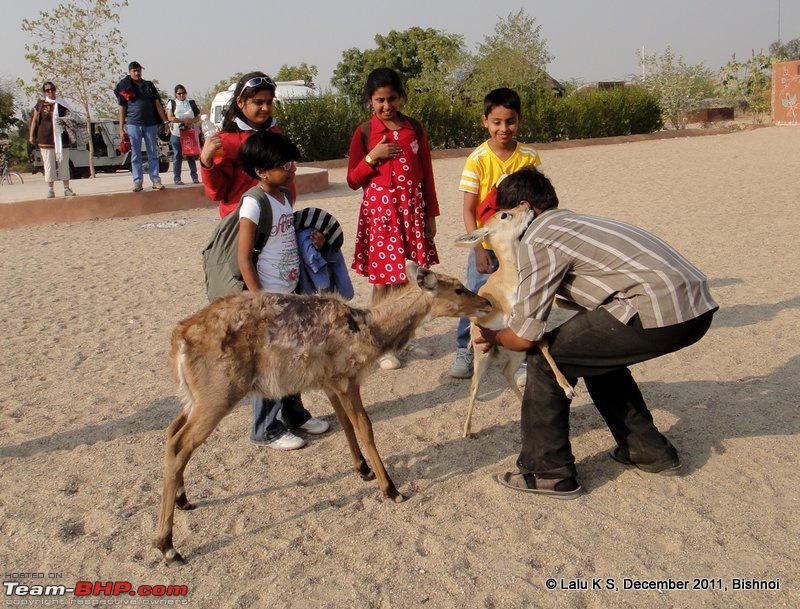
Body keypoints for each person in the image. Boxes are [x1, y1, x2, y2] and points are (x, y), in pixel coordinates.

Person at [475, 167, 719, 498]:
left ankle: (548, 472)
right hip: (694, 305)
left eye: (504, 216)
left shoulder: (538, 238)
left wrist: (491, 335)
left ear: (523, 209)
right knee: (590, 355)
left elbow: (523, 337)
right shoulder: (574, 222)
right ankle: (647, 450)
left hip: (659, 309)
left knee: (549, 361)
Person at [237, 129, 330, 450]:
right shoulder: (253, 202)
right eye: (284, 164)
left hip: (290, 293)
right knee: (272, 364)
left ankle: (294, 414)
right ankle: (264, 428)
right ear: (261, 171)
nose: (292, 168)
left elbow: (289, 235)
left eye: (292, 161)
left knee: (293, 359)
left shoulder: (286, 196)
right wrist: (260, 301)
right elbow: (244, 258)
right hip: (268, 298)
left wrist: (314, 239)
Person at [346, 67, 439, 370]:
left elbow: (426, 173)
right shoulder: (364, 133)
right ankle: (378, 341)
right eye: (379, 100)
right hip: (382, 212)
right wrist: (374, 156)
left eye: (392, 99)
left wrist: (430, 214)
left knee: (408, 278)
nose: (386, 106)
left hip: (411, 209)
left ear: (401, 97)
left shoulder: (415, 128)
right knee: (384, 281)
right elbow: (352, 179)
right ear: (370, 101)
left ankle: (402, 338)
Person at [449, 88, 544, 381]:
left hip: (519, 247)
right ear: (485, 121)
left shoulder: (528, 156)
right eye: (497, 122)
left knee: (521, 298)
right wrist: (477, 249)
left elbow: (538, 202)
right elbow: (468, 209)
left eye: (510, 121)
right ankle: (465, 348)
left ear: (520, 121)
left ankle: (521, 354)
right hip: (488, 246)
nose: (504, 128)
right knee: (476, 297)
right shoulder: (477, 158)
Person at [200, 72, 293, 219]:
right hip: (241, 220)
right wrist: (206, 162)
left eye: (269, 102)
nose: (265, 108)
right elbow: (217, 192)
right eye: (258, 102)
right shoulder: (226, 141)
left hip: (276, 219)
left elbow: (287, 180)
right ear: (240, 102)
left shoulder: (276, 134)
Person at [114, 61, 169, 192]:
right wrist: (121, 128)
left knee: (153, 152)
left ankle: (156, 180)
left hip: (150, 124)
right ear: (130, 72)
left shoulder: (148, 86)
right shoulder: (125, 87)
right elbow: (122, 108)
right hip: (133, 124)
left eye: (138, 71)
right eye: (134, 71)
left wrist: (165, 122)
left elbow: (157, 104)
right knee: (135, 154)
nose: (137, 73)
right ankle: (137, 181)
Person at [28, 82, 76, 198]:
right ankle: (50, 189)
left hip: (61, 138)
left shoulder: (62, 104)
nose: (50, 92)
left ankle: (66, 187)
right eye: (47, 90)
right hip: (45, 138)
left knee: (63, 163)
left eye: (52, 89)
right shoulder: (40, 104)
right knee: (49, 164)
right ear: (44, 92)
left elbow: (72, 118)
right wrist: (31, 136)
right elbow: (34, 120)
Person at [165, 84, 200, 185]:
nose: (181, 95)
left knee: (191, 155)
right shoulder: (172, 103)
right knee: (177, 156)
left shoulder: (190, 103)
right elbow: (170, 117)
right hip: (176, 133)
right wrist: (182, 120)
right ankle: (177, 178)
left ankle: (194, 177)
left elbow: (197, 117)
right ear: (176, 94)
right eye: (179, 93)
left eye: (183, 93)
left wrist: (191, 121)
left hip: (189, 133)